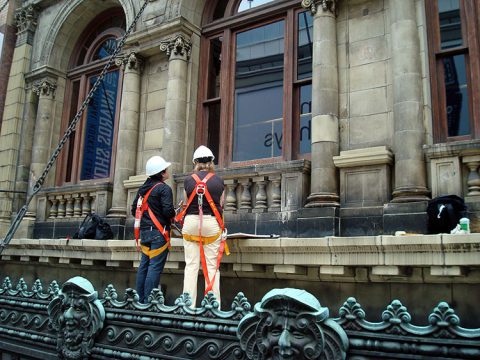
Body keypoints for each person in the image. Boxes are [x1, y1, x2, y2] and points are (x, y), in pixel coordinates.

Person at [177, 145, 226, 307]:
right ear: (211, 162)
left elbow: (185, 203)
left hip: (191, 223)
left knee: (191, 265)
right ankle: (213, 306)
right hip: (211, 224)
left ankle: (188, 305)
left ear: (195, 162)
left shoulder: (188, 180)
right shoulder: (219, 181)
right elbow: (221, 204)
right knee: (212, 267)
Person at [131, 155, 175, 303]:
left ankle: (140, 299)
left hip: (144, 233)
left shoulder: (142, 190)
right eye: (166, 169)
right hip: (158, 233)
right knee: (154, 267)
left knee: (144, 265)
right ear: (161, 172)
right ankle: (149, 302)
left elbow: (134, 210)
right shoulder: (164, 189)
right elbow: (168, 212)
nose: (167, 171)